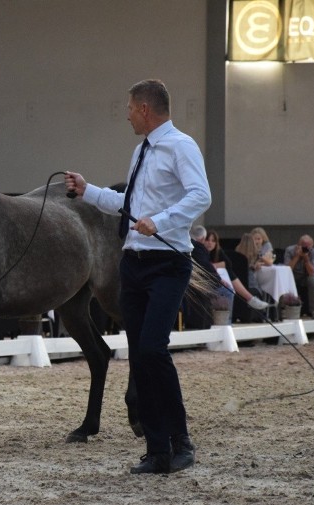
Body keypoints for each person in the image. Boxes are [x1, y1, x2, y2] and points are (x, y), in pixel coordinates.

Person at [65, 79, 210, 474]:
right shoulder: (140, 151)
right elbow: (126, 205)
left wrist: (160, 221)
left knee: (152, 351)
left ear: (145, 109)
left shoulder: (181, 146)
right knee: (140, 358)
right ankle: (157, 449)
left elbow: (201, 195)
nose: (126, 114)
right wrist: (88, 191)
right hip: (134, 264)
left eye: (129, 107)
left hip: (167, 264)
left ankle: (181, 441)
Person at [204, 228, 270, 312]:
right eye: (207, 240)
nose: (210, 243)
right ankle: (250, 298)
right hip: (207, 280)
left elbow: (228, 263)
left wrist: (214, 265)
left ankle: (250, 299)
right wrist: (214, 266)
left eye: (213, 241)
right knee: (229, 280)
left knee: (229, 274)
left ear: (216, 243)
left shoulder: (218, 252)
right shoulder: (200, 252)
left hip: (218, 279)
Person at [284, 234, 314, 319]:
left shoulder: (313, 252)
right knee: (284, 280)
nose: (305, 249)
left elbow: (311, 272)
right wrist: (297, 256)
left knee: (313, 280)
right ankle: (286, 309)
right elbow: (287, 269)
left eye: (307, 247)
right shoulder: (290, 250)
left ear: (311, 246)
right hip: (292, 276)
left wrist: (306, 259)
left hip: (305, 276)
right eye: (303, 246)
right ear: (298, 245)